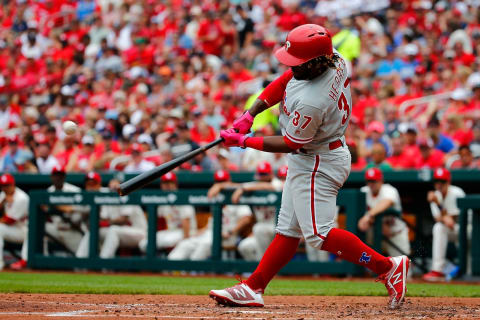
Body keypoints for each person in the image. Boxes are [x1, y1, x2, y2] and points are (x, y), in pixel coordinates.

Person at [209, 24, 409, 309]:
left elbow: (290, 142)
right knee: (288, 229)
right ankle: (253, 287)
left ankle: (386, 267)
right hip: (315, 154)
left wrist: (245, 141)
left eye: (299, 62)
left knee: (319, 234)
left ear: (316, 63)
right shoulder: (334, 57)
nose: (292, 66)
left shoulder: (313, 101)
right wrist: (250, 113)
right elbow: (286, 79)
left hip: (318, 159)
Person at [168, 170, 252, 261]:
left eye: (223, 181)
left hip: (226, 235)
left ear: (229, 181)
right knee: (185, 243)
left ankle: (193, 272)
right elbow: (211, 224)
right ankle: (169, 271)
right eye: (218, 182)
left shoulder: (236, 196)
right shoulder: (215, 196)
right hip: (209, 233)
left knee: (205, 244)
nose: (220, 184)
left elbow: (246, 218)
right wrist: (200, 231)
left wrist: (231, 231)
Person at [423, 168, 465, 282]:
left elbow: (450, 221)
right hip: (453, 230)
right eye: (437, 182)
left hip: (468, 229)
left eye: (442, 182)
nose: (439, 185)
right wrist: (438, 205)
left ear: (448, 182)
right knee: (439, 227)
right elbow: (439, 219)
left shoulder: (457, 192)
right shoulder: (435, 195)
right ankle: (438, 270)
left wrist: (438, 204)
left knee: (470, 272)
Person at [138, 172, 196, 254]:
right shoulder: (163, 201)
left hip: (186, 232)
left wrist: (185, 244)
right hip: (170, 232)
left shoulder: (182, 199)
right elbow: (158, 222)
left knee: (167, 240)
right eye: (165, 183)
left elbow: (186, 226)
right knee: (143, 244)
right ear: (161, 185)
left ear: (175, 184)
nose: (167, 186)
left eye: (170, 183)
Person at [358, 168, 411, 257]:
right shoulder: (364, 191)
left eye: (374, 181)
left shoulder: (389, 190)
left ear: (381, 181)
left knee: (402, 267)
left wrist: (368, 215)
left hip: (395, 234)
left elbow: (386, 202)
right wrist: (365, 221)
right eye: (369, 181)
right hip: (376, 236)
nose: (371, 184)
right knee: (372, 266)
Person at [0, 173, 29, 270]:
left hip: (24, 229)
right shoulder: (3, 195)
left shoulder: (21, 198)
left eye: (7, 185)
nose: (5, 188)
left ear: (13, 184)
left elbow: (9, 220)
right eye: (3, 185)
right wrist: (3, 203)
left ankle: (25, 261)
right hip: (13, 228)